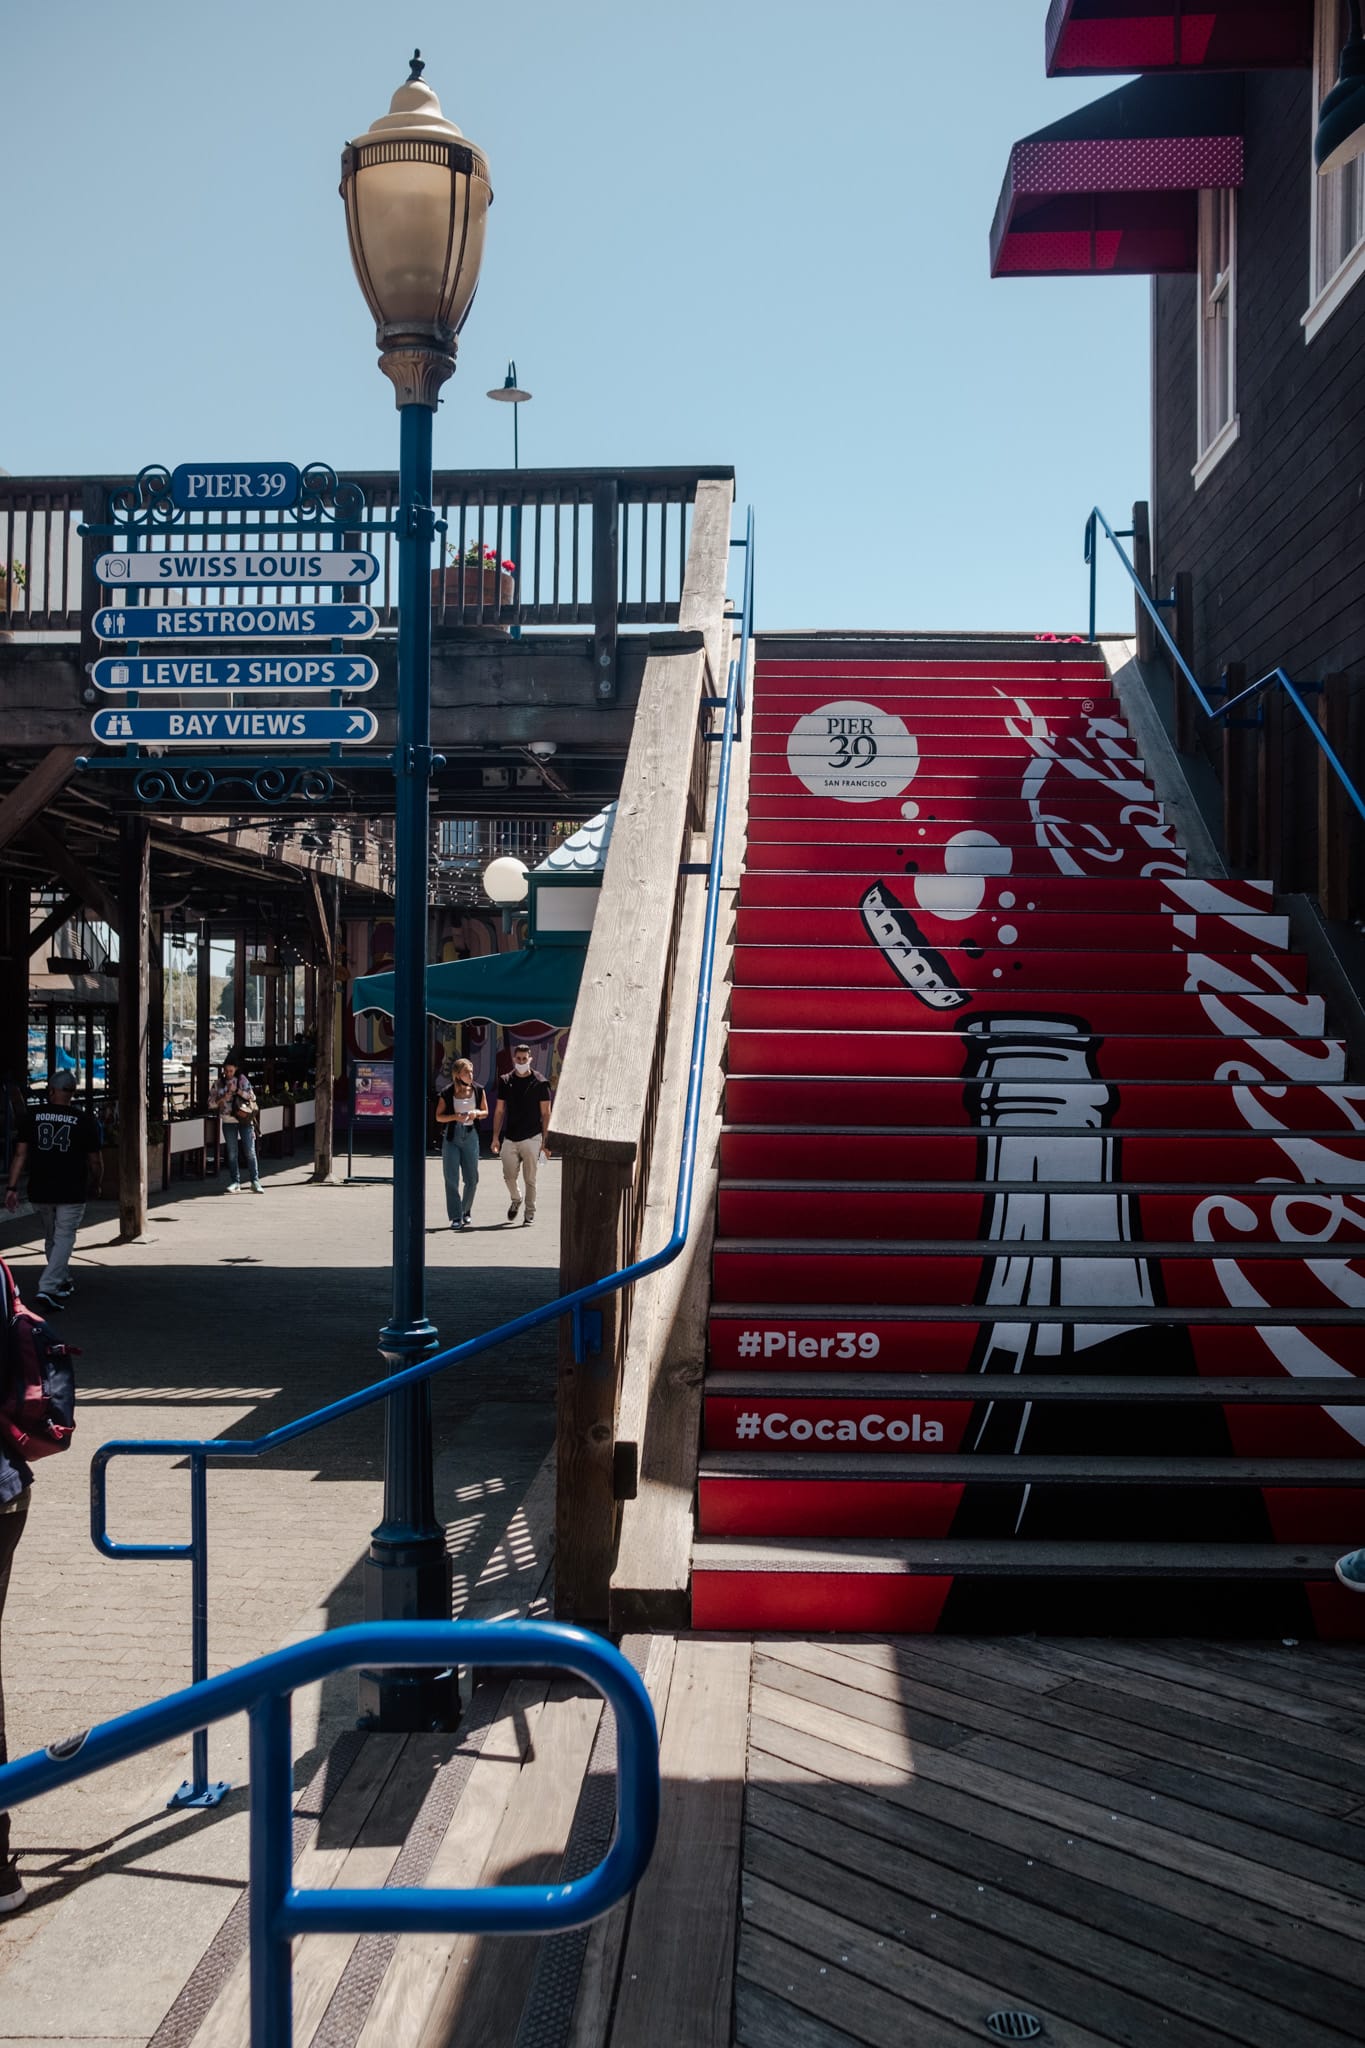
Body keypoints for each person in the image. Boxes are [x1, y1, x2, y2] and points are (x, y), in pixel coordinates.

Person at [3, 1074, 103, 1312]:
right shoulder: (85, 1121)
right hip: (71, 1188)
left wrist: (12, 1187)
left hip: (41, 1187)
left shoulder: (32, 1118)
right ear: (72, 1093)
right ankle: (48, 1286)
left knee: (52, 1236)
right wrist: (96, 1183)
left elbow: (20, 1155)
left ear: (51, 1091)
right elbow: (95, 1161)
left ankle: (62, 1279)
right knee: (64, 1236)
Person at [491, 1042, 552, 1225]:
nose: (521, 1061)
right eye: (518, 1058)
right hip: (510, 1136)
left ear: (530, 1059)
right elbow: (500, 1110)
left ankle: (529, 1212)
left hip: (533, 1136)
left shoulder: (540, 1082)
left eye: (524, 1059)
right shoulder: (505, 1080)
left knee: (530, 1178)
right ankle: (516, 1199)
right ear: (514, 1059)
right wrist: (495, 1137)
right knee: (509, 1175)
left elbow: (546, 1113)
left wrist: (545, 1142)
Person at [435, 1057, 487, 1230]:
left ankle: (465, 1210)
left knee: (472, 1179)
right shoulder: (447, 1092)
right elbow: (438, 1116)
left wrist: (476, 1113)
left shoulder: (478, 1090)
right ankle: (456, 1216)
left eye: (471, 1071)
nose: (470, 1075)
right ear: (458, 1074)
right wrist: (454, 1117)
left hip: (471, 1135)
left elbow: (485, 1112)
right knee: (451, 1178)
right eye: (466, 1072)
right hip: (452, 1136)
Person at [208, 1059, 262, 1194]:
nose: (228, 1074)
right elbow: (210, 1104)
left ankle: (255, 1181)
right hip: (228, 1120)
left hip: (244, 1119)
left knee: (250, 1151)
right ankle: (235, 1182)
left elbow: (252, 1096)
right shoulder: (218, 1083)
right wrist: (222, 1099)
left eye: (231, 1071)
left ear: (236, 1069)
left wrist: (237, 1090)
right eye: (226, 1071)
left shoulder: (242, 1080)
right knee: (232, 1153)